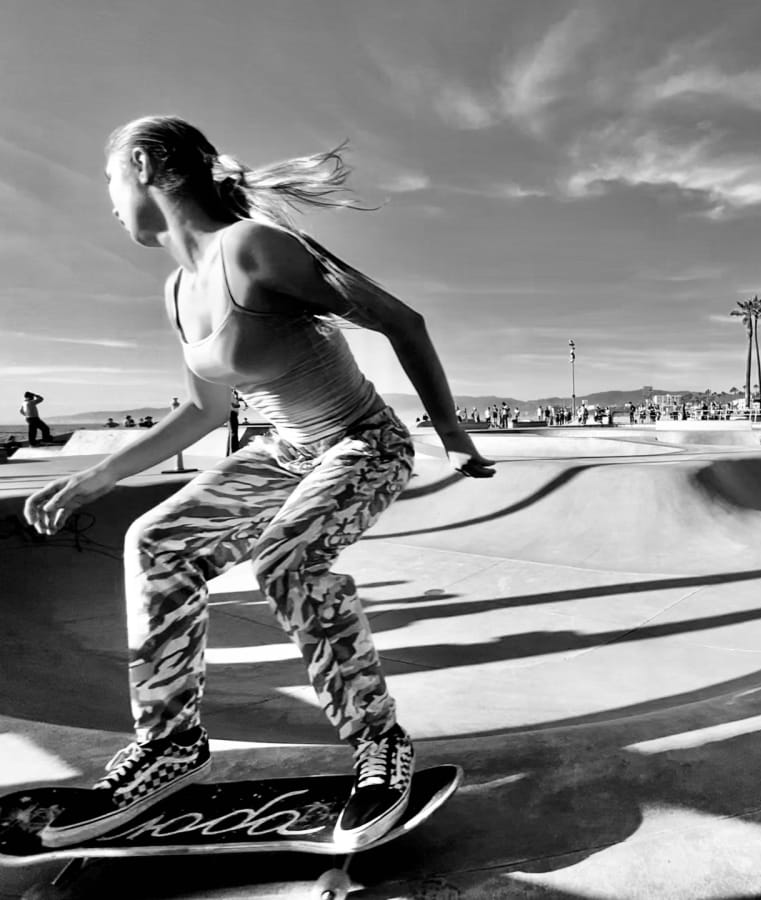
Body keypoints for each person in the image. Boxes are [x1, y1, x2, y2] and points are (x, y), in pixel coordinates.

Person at [23, 116, 495, 850]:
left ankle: (380, 743)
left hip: (362, 444)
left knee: (287, 558)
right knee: (156, 542)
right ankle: (169, 744)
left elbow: (404, 321)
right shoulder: (180, 290)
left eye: (111, 180)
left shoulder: (256, 249)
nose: (111, 202)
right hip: (283, 454)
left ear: (146, 165)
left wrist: (453, 435)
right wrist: (96, 476)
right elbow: (203, 409)